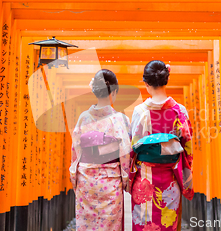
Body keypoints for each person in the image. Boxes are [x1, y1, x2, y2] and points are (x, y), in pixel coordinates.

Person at [129, 60, 194, 231]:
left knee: (144, 225)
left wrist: (127, 177)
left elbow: (132, 148)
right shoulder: (180, 111)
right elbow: (188, 149)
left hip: (144, 180)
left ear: (146, 83)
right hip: (170, 180)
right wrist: (185, 179)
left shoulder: (140, 112)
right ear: (167, 79)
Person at [69, 69, 131, 231]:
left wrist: (74, 176)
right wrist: (125, 179)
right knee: (110, 223)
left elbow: (75, 149)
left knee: (86, 223)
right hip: (110, 181)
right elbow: (125, 153)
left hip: (85, 179)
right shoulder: (120, 119)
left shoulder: (83, 117)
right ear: (114, 91)